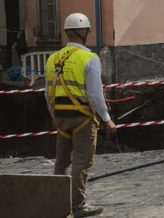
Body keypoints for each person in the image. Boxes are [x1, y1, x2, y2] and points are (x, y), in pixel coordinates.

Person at [45, 13, 116, 218]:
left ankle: (58, 202)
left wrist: (54, 115)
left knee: (61, 160)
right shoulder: (89, 58)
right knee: (82, 162)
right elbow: (95, 94)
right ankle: (77, 205)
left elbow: (48, 92)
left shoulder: (53, 58)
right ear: (84, 32)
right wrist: (107, 119)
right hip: (82, 118)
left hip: (61, 117)